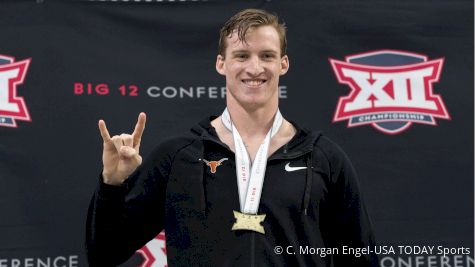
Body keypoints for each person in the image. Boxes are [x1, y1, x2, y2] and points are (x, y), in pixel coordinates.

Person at [86, 8, 378, 267]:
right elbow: (104, 253)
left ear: (283, 64)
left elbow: (361, 258)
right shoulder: (178, 157)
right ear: (221, 64)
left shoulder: (322, 158)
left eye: (267, 56)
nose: (254, 68)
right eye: (241, 55)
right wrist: (112, 184)